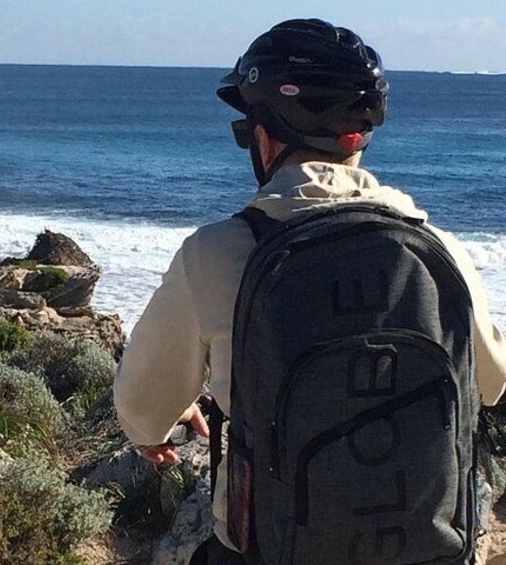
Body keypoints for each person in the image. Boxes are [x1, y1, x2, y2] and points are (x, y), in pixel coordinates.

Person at [114, 19, 506, 564]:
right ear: (359, 137)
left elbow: (140, 400)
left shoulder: (218, 252)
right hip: (423, 547)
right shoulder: (440, 249)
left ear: (265, 137)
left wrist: (151, 429)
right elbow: (490, 383)